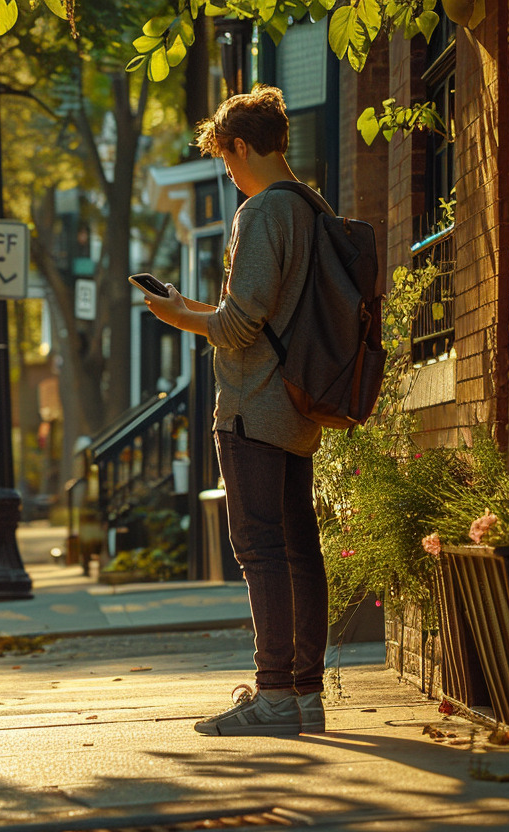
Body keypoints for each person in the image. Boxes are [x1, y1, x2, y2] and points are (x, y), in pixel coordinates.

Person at [140, 85, 327, 736]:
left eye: (225, 160)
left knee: (260, 550)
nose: (228, 173)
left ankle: (273, 695)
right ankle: (305, 694)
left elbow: (241, 325)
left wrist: (177, 316)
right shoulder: (310, 206)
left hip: (252, 405)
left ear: (241, 147)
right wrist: (195, 308)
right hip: (299, 404)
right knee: (301, 548)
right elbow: (265, 312)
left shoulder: (261, 213)